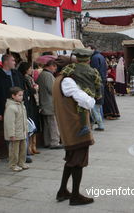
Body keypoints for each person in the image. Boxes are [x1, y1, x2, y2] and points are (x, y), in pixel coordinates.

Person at [53, 52, 96, 206]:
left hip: (68, 127)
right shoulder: (67, 81)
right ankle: (75, 196)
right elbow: (86, 101)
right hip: (76, 127)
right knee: (78, 161)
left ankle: (62, 190)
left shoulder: (58, 79)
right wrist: (92, 96)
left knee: (71, 160)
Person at [0, 54, 26, 160]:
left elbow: (23, 90)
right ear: (6, 62)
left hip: (19, 107)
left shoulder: (17, 74)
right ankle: (12, 156)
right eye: (13, 60)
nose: (15, 62)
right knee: (10, 132)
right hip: (6, 108)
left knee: (20, 130)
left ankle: (22, 155)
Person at [61, 49, 102, 136]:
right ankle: (88, 124)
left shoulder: (72, 67)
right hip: (90, 93)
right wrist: (98, 95)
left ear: (77, 59)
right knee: (85, 109)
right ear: (88, 60)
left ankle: (84, 127)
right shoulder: (94, 70)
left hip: (76, 93)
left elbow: (63, 73)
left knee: (78, 110)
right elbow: (98, 84)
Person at [36, 60, 63, 149]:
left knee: (47, 124)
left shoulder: (42, 74)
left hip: (44, 102)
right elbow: (52, 89)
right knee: (53, 123)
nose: (55, 69)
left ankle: (47, 141)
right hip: (49, 103)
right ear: (50, 66)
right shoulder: (48, 75)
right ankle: (54, 142)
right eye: (55, 67)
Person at [4, 87, 29, 172]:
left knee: (23, 149)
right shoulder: (11, 107)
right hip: (15, 134)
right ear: (13, 96)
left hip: (22, 132)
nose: (21, 97)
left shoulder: (22, 106)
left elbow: (24, 120)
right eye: (19, 95)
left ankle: (21, 163)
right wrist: (11, 134)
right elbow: (9, 122)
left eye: (22, 95)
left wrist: (26, 130)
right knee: (14, 151)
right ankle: (13, 164)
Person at [18, 62, 40, 154]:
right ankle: (30, 147)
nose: (32, 70)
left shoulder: (30, 78)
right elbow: (28, 91)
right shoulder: (24, 79)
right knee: (31, 124)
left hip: (33, 103)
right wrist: (35, 89)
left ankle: (33, 145)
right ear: (25, 69)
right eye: (30, 68)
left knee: (34, 124)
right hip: (29, 103)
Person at [89, 45, 107, 131]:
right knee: (98, 106)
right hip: (102, 80)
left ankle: (99, 124)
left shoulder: (95, 58)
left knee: (95, 106)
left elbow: (94, 70)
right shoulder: (101, 56)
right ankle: (100, 121)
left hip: (97, 82)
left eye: (89, 49)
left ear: (93, 49)